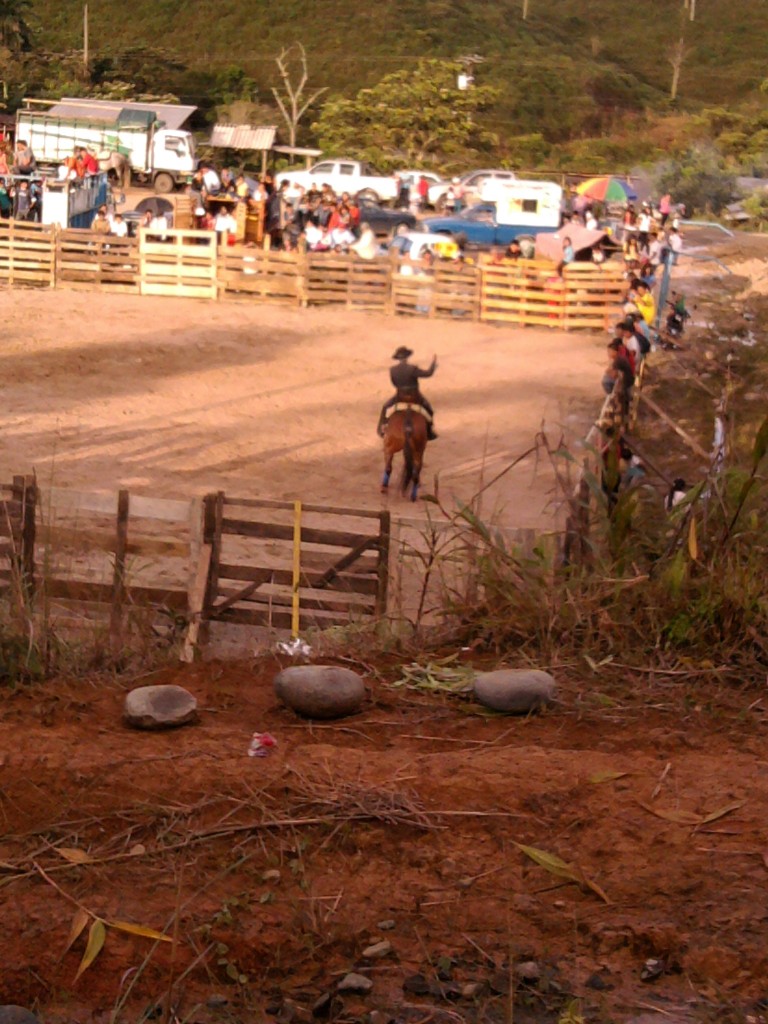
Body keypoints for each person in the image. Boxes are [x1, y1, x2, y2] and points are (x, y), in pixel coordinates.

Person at [378, 346, 438, 441]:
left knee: (385, 407)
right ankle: (430, 431)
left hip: (400, 396)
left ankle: (381, 429)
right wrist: (433, 365)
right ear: (407, 357)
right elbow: (428, 374)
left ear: (398, 358)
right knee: (429, 409)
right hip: (414, 396)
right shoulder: (412, 368)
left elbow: (394, 383)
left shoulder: (393, 370)